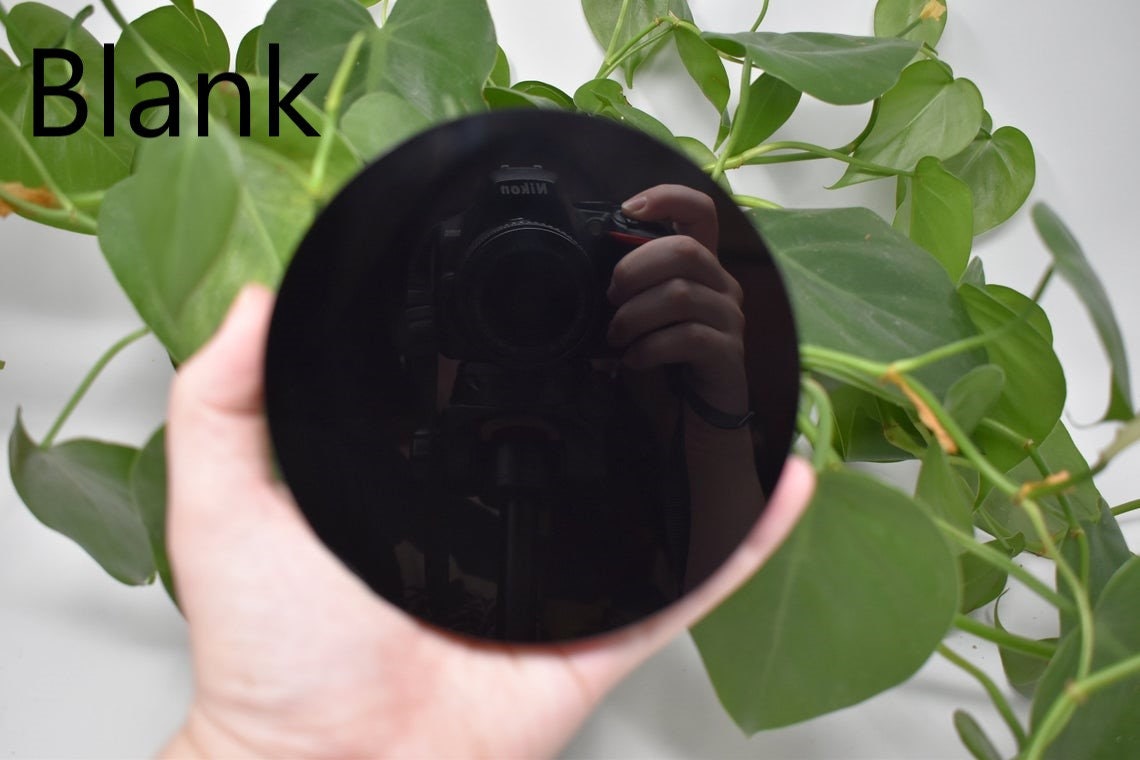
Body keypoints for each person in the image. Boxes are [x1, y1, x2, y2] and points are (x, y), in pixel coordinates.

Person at [159, 187, 816, 758]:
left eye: (553, 281)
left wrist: (713, 412)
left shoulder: (640, 472)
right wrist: (261, 742)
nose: (522, 310)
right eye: (491, 278)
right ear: (425, 308)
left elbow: (739, 659)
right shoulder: (334, 484)